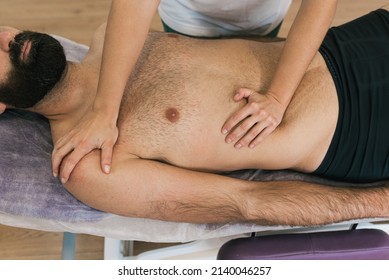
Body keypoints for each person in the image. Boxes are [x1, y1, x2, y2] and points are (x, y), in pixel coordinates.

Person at [0, 6, 388, 226]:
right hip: (360, 132)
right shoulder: (88, 170)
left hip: (356, 42)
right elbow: (248, 202)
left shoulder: (108, 36)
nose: (6, 38)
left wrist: (106, 109)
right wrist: (380, 204)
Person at [52, 0, 338, 182]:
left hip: (261, 11)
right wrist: (104, 111)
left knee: (254, 52)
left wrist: (277, 97)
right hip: (187, 12)